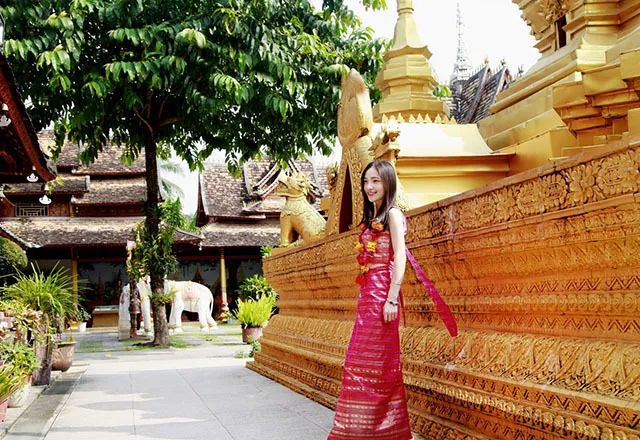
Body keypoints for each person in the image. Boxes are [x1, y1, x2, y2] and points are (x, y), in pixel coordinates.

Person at [328, 159, 412, 440]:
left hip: (383, 299)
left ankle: (387, 432)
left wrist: (392, 299)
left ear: (388, 182)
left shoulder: (392, 215)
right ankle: (362, 431)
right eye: (366, 181)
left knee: (381, 366)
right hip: (367, 297)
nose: (369, 187)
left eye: (376, 181)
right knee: (358, 363)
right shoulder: (371, 218)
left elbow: (399, 257)